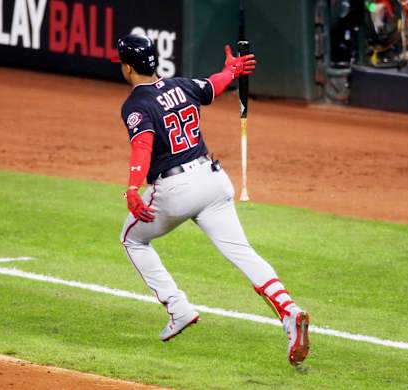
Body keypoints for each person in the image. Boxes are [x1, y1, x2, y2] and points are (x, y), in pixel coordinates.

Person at [112, 34, 310, 367]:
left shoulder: (136, 104)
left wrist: (133, 189)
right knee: (242, 251)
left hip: (176, 189)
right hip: (214, 179)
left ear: (128, 68)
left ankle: (178, 308)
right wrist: (232, 70)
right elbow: (213, 86)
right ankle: (289, 311)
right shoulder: (182, 84)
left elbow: (143, 145)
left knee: (132, 239)